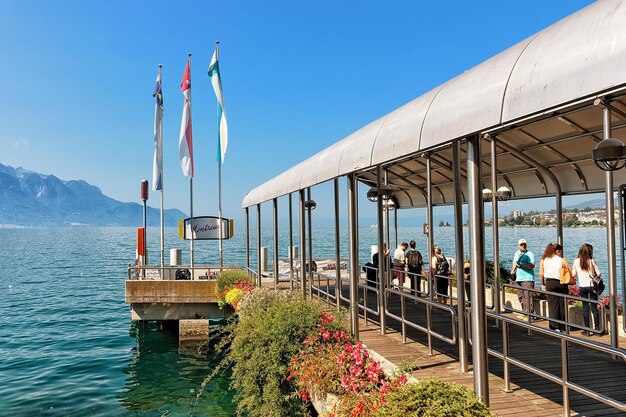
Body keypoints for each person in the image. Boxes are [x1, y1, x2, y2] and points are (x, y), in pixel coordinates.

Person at [571, 243, 602, 336]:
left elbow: (573, 274)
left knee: (585, 308)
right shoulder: (591, 261)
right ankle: (597, 329)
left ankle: (587, 329)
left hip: (582, 287)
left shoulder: (576, 261)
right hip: (592, 286)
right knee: (594, 308)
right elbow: (599, 273)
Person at [539, 243, 569, 332]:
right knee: (562, 304)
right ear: (557, 251)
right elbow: (569, 271)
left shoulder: (544, 259)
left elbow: (541, 274)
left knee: (552, 305)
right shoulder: (562, 260)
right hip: (561, 283)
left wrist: (543, 284)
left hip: (549, 282)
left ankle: (554, 326)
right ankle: (563, 326)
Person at [511, 239, 536, 318]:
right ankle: (525, 312)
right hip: (518, 278)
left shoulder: (530, 254)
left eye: (524, 244)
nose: (523, 246)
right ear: (518, 246)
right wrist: (512, 272)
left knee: (528, 296)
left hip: (527, 278)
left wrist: (522, 266)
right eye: (521, 245)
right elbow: (514, 263)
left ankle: (530, 315)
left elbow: (532, 265)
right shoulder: (516, 253)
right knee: (520, 296)